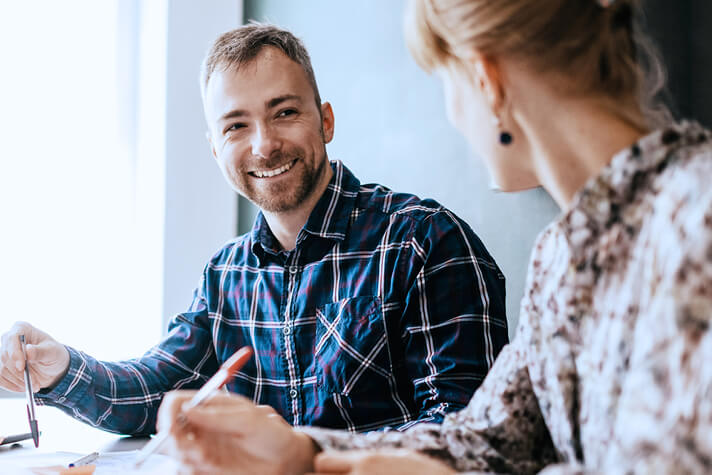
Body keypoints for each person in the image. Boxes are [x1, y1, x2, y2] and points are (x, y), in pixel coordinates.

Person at [158, 0, 712, 473]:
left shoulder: (695, 217)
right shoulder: (562, 254)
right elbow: (486, 441)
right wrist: (302, 450)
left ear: (484, 79)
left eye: (444, 83)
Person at [0, 23, 508, 436]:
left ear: (325, 121)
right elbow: (152, 394)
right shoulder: (225, 275)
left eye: (284, 113)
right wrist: (60, 369)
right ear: (216, 148)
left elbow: (467, 435)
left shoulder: (425, 242)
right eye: (236, 125)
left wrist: (302, 453)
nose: (264, 145)